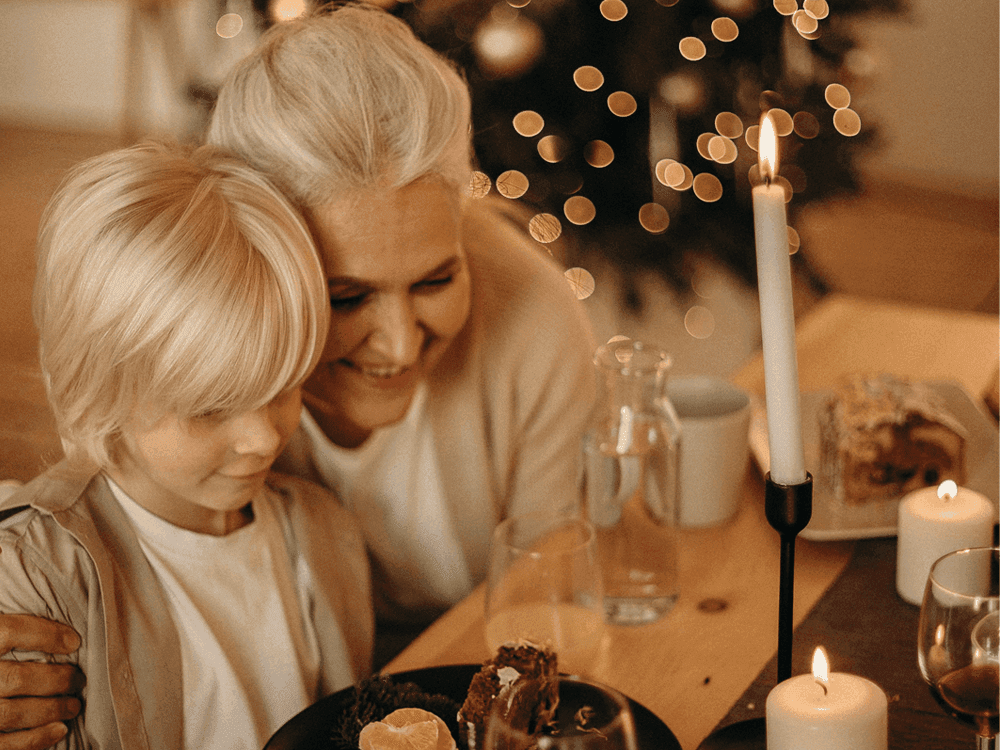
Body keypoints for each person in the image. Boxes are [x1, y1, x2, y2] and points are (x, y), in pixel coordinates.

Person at [0, 3, 597, 744]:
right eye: (345, 296)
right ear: (253, 252)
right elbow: (93, 476)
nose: (399, 344)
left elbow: (556, 619)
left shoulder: (533, 319)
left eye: (438, 279)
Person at [0, 142, 373, 749]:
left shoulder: (325, 537)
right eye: (211, 408)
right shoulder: (37, 580)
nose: (262, 439)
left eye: (283, 388)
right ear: (102, 386)